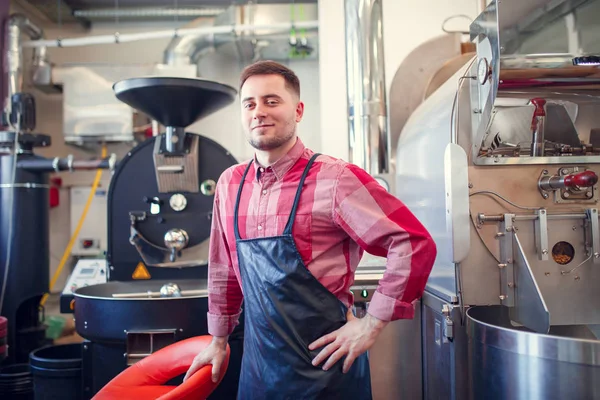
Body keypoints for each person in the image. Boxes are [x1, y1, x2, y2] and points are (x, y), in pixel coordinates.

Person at [183, 60, 437, 399]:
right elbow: (224, 270)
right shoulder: (231, 184)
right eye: (250, 104)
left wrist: (371, 324)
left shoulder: (335, 179)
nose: (259, 111)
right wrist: (218, 340)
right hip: (259, 373)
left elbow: (412, 242)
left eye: (272, 101)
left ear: (298, 110)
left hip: (327, 373)